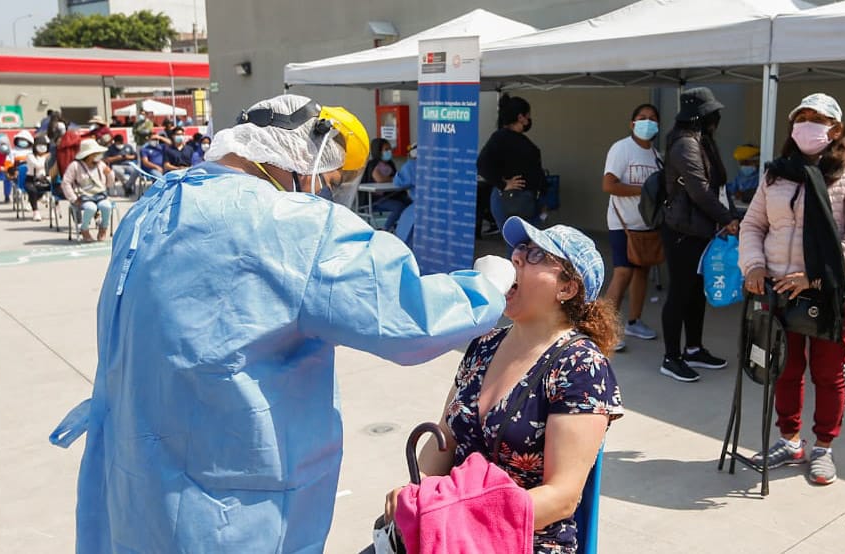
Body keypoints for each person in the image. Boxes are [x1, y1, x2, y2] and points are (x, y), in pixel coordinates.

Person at [48, 94, 514, 553]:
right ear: (298, 160)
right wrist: (486, 287)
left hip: (133, 480)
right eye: (325, 180)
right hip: (228, 507)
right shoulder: (289, 223)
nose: (323, 193)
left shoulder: (153, 206)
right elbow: (410, 317)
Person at [384, 218, 622, 553]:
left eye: (537, 254)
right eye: (520, 249)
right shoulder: (485, 343)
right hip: (449, 530)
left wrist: (460, 515)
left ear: (566, 288)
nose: (517, 258)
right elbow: (445, 437)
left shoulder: (581, 366)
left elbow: (562, 497)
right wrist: (419, 489)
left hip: (526, 540)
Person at [739, 93, 845, 486]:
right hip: (779, 289)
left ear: (835, 129)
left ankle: (823, 448)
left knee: (828, 373)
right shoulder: (777, 175)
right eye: (801, 118)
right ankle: (789, 441)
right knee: (785, 368)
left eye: (817, 119)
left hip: (832, 291)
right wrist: (753, 265)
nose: (807, 125)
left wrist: (814, 276)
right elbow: (753, 226)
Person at [659, 87, 739, 383]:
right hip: (683, 231)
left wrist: (725, 217)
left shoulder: (699, 141)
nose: (716, 120)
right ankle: (671, 357)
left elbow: (714, 188)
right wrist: (728, 219)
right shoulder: (685, 145)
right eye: (712, 115)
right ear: (702, 117)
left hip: (699, 230)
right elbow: (700, 192)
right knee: (680, 293)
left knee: (695, 293)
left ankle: (693, 348)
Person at [602, 103, 662, 352]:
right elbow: (609, 185)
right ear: (632, 123)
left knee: (642, 272)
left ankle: (634, 321)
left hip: (646, 225)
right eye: (641, 117)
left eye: (652, 118)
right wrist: (644, 191)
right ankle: (602, 328)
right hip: (622, 224)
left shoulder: (658, 156)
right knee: (623, 273)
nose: (647, 122)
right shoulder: (622, 148)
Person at [477, 93, 547, 231]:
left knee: (526, 246)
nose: (529, 119)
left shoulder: (518, 139)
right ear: (521, 117)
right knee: (519, 246)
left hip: (525, 200)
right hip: (513, 200)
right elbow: (482, 164)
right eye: (528, 115)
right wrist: (504, 184)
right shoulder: (500, 138)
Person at [60, 139, 115, 242]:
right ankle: (84, 229)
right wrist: (73, 198)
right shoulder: (75, 166)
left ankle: (103, 228)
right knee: (91, 208)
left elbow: (109, 184)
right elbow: (65, 183)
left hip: (100, 195)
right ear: (88, 155)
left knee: (106, 206)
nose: (98, 155)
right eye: (95, 153)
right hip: (84, 197)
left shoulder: (101, 164)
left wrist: (110, 174)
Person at [362, 137, 410, 231]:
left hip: (391, 195)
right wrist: (391, 179)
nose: (389, 152)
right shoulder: (373, 164)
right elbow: (379, 179)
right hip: (377, 200)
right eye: (386, 149)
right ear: (378, 151)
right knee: (398, 207)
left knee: (409, 202)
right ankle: (386, 228)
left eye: (390, 149)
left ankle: (402, 227)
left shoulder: (390, 164)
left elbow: (396, 177)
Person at [23, 135, 53, 221]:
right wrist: (46, 158)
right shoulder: (30, 156)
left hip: (44, 179)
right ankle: (36, 212)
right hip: (31, 179)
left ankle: (54, 210)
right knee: (32, 190)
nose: (42, 147)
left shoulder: (49, 155)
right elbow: (37, 165)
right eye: (39, 145)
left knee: (54, 187)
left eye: (44, 145)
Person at [727, 143, 761, 207]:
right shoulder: (740, 176)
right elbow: (731, 188)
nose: (743, 166)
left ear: (756, 162)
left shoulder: (761, 176)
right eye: (741, 163)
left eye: (746, 163)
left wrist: (743, 194)